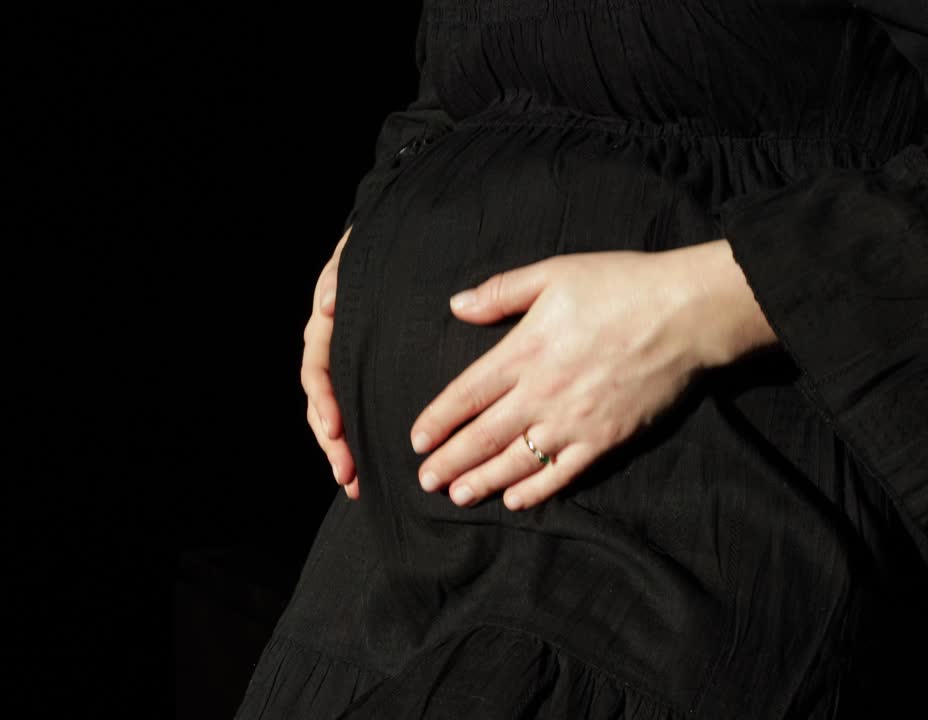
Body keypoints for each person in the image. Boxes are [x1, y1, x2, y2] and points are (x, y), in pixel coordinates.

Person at [237, 1, 928, 718]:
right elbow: (463, 88)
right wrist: (372, 229)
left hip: (676, 506)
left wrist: (696, 307)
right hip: (385, 544)